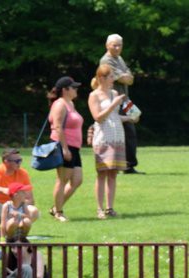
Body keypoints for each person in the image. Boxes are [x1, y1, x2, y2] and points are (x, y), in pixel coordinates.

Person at [88, 64, 127, 219]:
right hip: (103, 138)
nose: (113, 79)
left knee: (113, 174)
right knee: (102, 173)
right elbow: (98, 117)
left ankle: (110, 208)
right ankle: (99, 209)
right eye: (111, 76)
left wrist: (130, 118)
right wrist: (113, 104)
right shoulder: (94, 95)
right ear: (102, 78)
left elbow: (114, 116)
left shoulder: (114, 93)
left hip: (117, 137)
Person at [100, 34, 139, 174]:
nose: (117, 48)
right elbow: (124, 79)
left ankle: (128, 164)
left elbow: (130, 79)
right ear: (107, 45)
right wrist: (125, 77)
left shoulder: (119, 59)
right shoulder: (106, 61)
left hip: (125, 100)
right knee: (123, 132)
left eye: (119, 45)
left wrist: (126, 77)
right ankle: (125, 165)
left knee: (132, 127)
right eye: (114, 45)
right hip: (114, 101)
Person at [48, 76, 84, 222]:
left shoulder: (70, 103)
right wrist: (64, 148)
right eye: (73, 87)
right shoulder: (60, 104)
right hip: (64, 146)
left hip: (74, 147)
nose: (76, 90)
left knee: (77, 180)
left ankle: (56, 207)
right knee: (62, 180)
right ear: (65, 90)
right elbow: (57, 126)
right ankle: (59, 212)